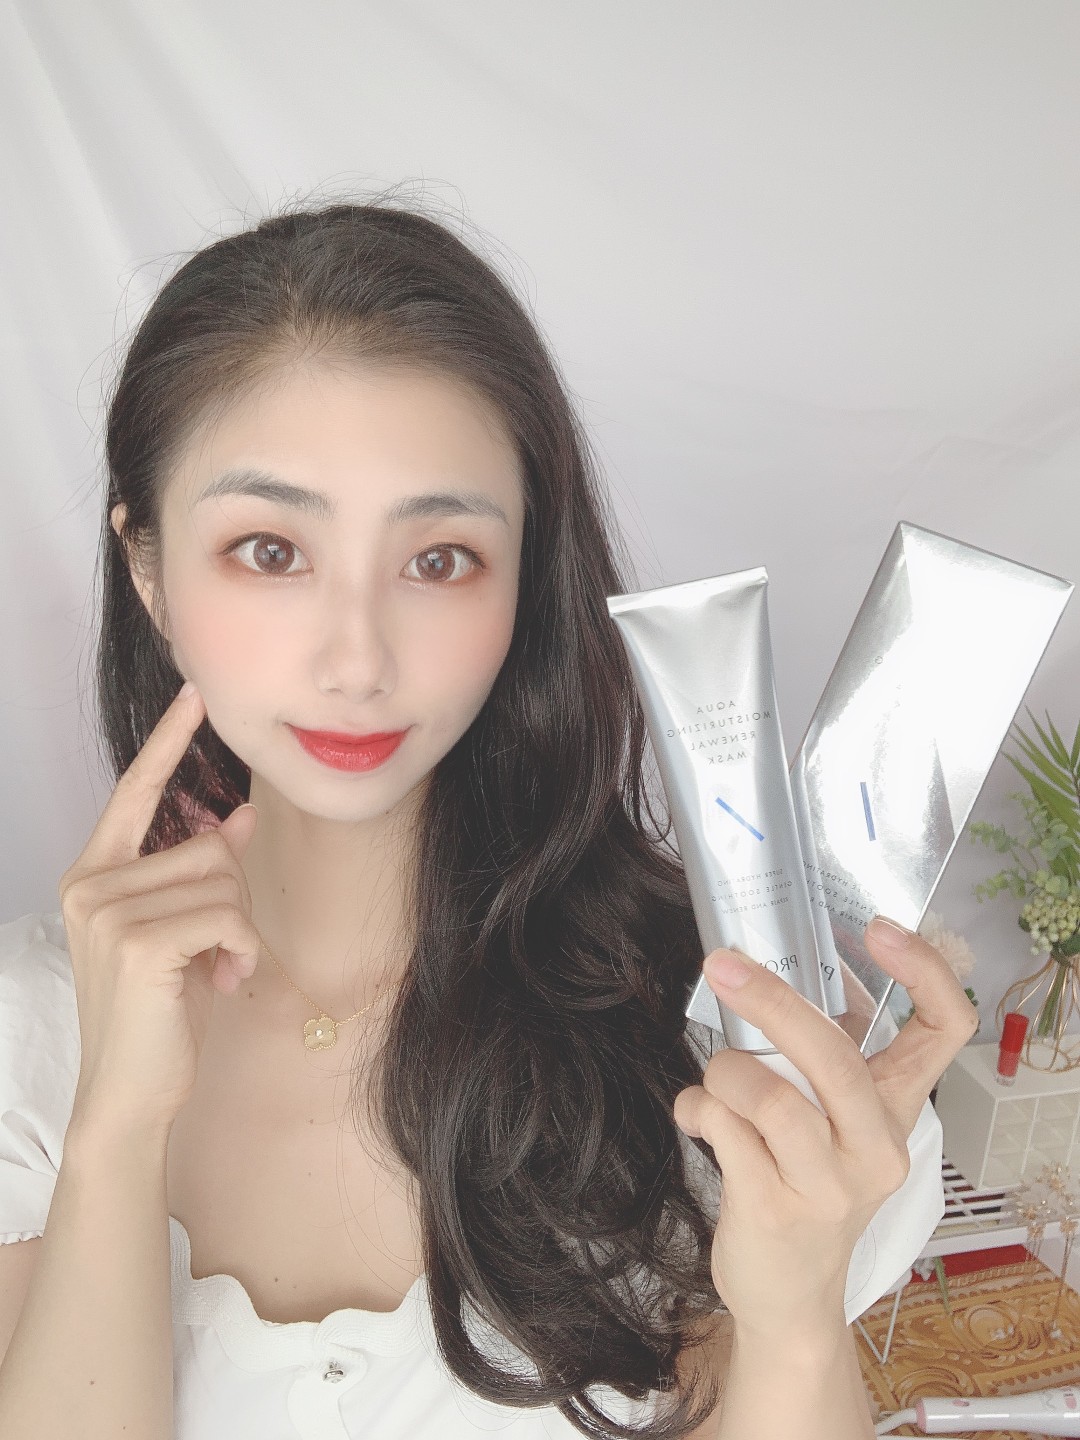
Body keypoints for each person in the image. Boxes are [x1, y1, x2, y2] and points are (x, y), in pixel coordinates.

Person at [0, 196, 977, 1440]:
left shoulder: (721, 1043)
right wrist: (117, 1129)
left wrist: (791, 1315)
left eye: (439, 559)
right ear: (147, 569)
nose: (357, 660)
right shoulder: (30, 1039)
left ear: (525, 578)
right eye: (270, 551)